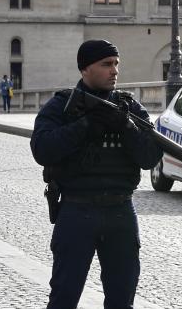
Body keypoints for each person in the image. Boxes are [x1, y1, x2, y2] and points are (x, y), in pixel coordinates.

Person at [31, 39, 162, 309]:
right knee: (64, 298)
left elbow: (150, 156)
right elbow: (42, 149)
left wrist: (126, 127)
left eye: (116, 64)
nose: (114, 71)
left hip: (120, 211)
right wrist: (86, 126)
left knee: (121, 299)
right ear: (85, 69)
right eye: (106, 64)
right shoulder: (62, 105)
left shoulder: (129, 108)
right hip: (77, 211)